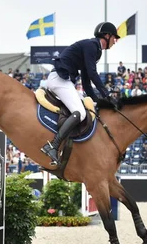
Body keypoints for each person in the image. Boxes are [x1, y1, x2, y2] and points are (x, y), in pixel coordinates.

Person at [40, 22, 120, 166]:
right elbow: (92, 73)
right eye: (115, 37)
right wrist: (106, 95)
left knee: (86, 108)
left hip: (63, 80)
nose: (116, 41)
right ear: (107, 36)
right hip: (59, 80)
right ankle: (53, 146)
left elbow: (86, 83)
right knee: (80, 112)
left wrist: (98, 101)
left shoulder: (94, 49)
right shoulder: (92, 46)